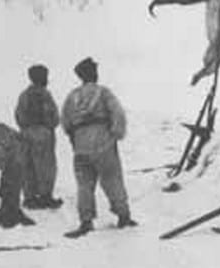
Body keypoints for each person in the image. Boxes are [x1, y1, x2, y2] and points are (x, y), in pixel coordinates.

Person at [62, 57, 136, 238]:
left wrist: (76, 139)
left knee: (84, 185)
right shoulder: (103, 93)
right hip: (103, 142)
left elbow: (65, 122)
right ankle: (123, 216)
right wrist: (116, 134)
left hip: (81, 146)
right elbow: (118, 114)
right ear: (94, 74)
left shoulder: (72, 97)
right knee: (112, 179)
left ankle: (86, 221)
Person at [15, 64, 62, 209]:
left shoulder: (24, 95)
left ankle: (29, 197)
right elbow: (53, 117)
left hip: (26, 133)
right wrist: (49, 127)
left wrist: (25, 128)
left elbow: (18, 116)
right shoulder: (45, 94)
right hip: (43, 133)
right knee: (46, 165)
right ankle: (45, 196)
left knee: (27, 164)